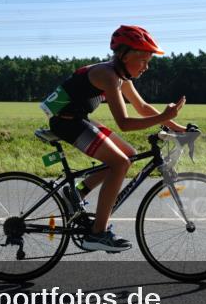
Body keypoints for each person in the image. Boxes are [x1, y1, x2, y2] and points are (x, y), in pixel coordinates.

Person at [40, 25, 186, 252]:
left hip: (77, 118)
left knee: (128, 154)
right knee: (120, 163)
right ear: (125, 55)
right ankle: (97, 234)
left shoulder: (120, 75)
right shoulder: (108, 76)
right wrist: (165, 116)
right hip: (67, 122)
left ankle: (75, 193)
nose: (147, 67)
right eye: (143, 60)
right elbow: (125, 123)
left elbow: (142, 107)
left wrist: (177, 127)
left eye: (149, 61)